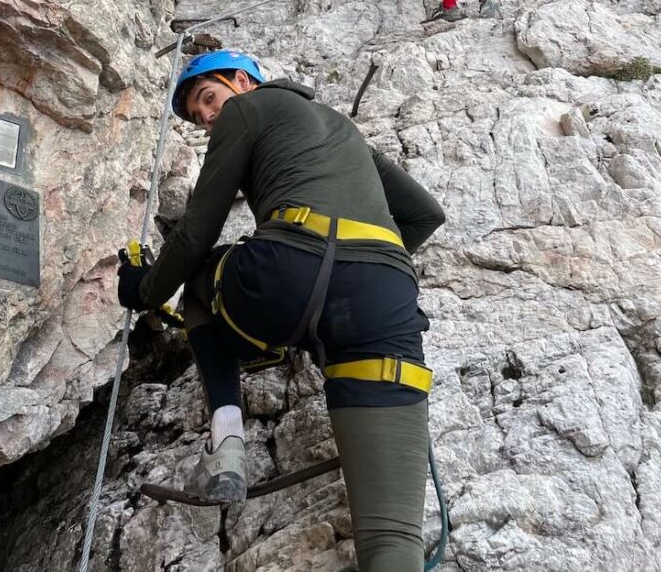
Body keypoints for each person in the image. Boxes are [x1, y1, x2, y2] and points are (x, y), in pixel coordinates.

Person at [117, 49, 445, 571]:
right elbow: (426, 214)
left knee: (202, 284)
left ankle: (227, 444)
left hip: (285, 274)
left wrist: (144, 289)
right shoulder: (344, 129)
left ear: (243, 81)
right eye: (201, 117)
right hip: (383, 301)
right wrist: (363, 271)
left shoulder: (246, 111)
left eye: (209, 99)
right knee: (391, 539)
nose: (209, 118)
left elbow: (196, 234)